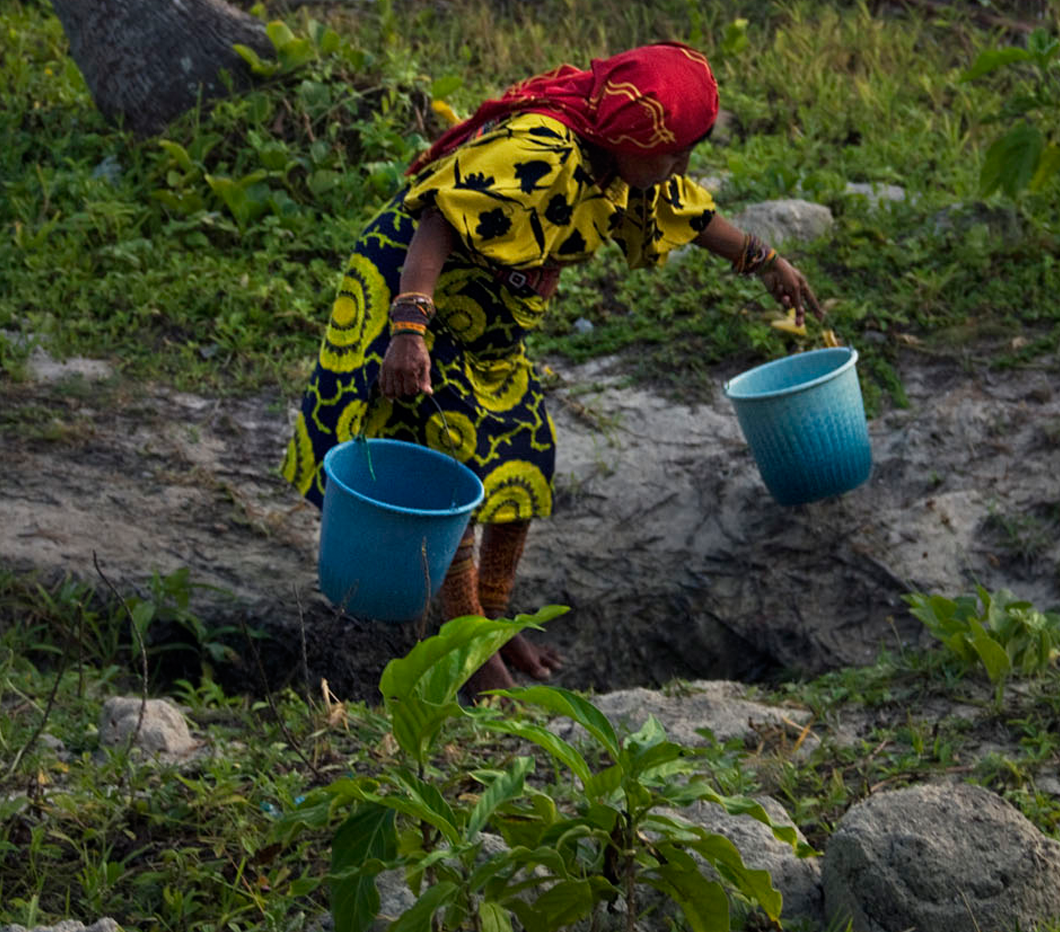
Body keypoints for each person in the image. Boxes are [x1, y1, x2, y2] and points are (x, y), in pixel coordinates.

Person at [281, 42, 822, 695]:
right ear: (625, 135)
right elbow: (438, 220)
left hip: (487, 324)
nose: (681, 164)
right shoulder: (542, 151)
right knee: (450, 459)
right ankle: (472, 652)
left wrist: (767, 264)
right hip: (416, 301)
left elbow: (687, 208)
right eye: (671, 150)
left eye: (689, 149)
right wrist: (408, 332)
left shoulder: (621, 167)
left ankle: (491, 619)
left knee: (524, 448)